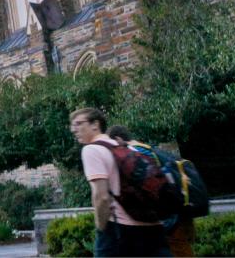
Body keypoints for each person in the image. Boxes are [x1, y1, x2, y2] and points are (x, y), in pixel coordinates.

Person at [69, 108, 171, 257]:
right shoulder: (124, 146)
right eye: (72, 125)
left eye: (78, 124)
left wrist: (100, 226)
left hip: (120, 228)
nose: (74, 129)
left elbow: (101, 196)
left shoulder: (91, 150)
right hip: (152, 225)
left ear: (95, 125)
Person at [108, 125, 196, 257]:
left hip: (167, 218)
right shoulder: (146, 149)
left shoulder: (134, 154)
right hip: (177, 211)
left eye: (111, 144)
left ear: (118, 139)